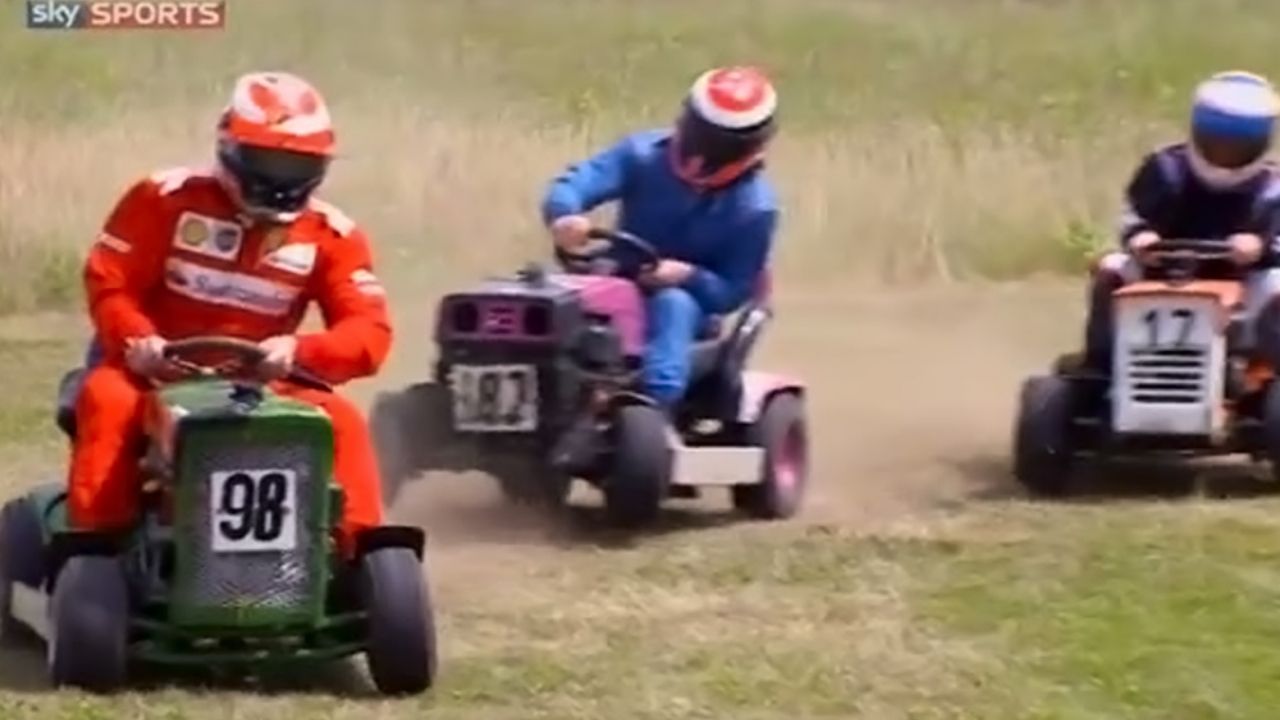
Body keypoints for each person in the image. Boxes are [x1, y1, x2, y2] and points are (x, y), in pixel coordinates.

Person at [70, 71, 392, 554]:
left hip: (260, 383)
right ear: (230, 149)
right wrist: (138, 339)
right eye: (268, 160)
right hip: (153, 375)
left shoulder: (333, 236)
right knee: (107, 401)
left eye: (295, 165)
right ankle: (96, 552)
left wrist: (300, 350)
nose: (280, 179)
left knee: (342, 421)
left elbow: (369, 331)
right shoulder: (163, 199)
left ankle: (355, 558)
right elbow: (110, 283)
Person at [541, 66, 781, 413]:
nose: (698, 147)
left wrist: (688, 276)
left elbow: (733, 289)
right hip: (616, 275)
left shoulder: (754, 209)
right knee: (551, 292)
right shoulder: (643, 155)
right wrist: (564, 214)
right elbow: (580, 180)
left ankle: (654, 404)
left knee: (673, 304)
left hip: (691, 306)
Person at [1083, 70, 1280, 373]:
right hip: (1160, 273)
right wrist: (1140, 236)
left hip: (1242, 285)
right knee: (1110, 268)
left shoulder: (1272, 189)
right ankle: (1099, 369)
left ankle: (1265, 373)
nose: (1226, 152)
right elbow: (1132, 215)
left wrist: (1259, 245)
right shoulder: (1165, 170)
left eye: (1238, 144)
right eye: (1217, 141)